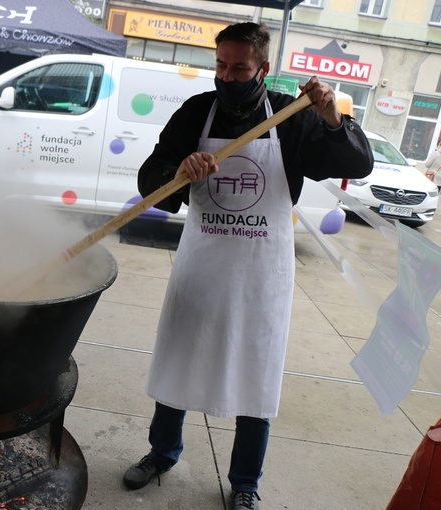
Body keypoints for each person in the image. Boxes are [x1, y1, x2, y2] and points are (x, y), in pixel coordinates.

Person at [121, 22, 374, 510]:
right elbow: (151, 177)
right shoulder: (197, 111)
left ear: (262, 67)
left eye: (239, 67)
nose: (227, 74)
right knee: (178, 356)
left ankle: (244, 482)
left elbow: (358, 163)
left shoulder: (290, 114)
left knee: (255, 372)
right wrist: (178, 172)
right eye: (220, 64)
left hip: (261, 273)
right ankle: (162, 452)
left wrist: (331, 117)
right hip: (202, 263)